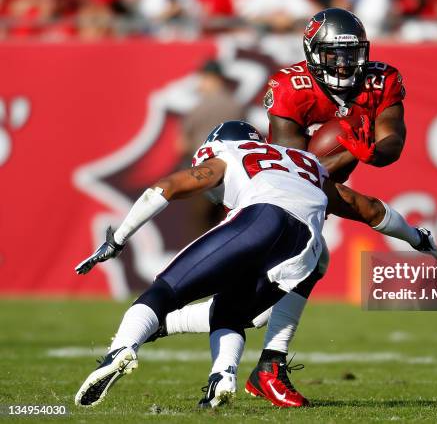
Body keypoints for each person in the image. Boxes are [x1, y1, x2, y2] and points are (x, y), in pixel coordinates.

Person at [157, 8, 437, 408]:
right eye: (333, 54)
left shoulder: (382, 78)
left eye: (351, 53)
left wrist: (370, 150)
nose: (343, 63)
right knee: (262, 297)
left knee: (293, 276)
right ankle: (174, 327)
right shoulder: (292, 86)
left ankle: (263, 364)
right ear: (312, 52)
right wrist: (344, 151)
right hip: (279, 192)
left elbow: (392, 139)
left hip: (309, 186)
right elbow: (293, 173)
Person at [74, 121, 330, 408]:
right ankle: (222, 377)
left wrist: (117, 240)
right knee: (230, 312)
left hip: (261, 221)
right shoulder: (305, 165)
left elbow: (165, 187)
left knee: (165, 291)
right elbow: (368, 208)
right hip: (306, 247)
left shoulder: (230, 153)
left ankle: (121, 349)